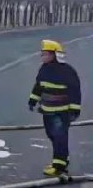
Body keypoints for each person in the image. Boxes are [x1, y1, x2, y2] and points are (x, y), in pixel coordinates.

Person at [28, 39, 81, 177]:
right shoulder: (44, 70)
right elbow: (39, 86)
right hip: (47, 111)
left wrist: (74, 109)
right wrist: (33, 100)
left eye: (45, 54)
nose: (43, 57)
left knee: (59, 136)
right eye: (42, 54)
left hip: (61, 112)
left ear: (54, 55)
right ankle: (63, 158)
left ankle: (59, 166)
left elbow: (75, 91)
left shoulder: (67, 71)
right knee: (51, 135)